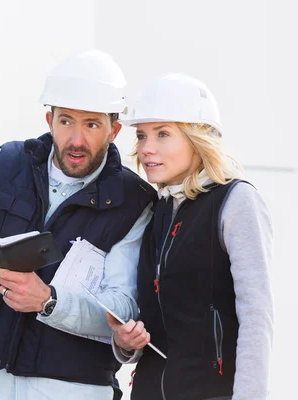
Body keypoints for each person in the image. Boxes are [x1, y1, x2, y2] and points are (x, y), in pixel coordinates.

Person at [0, 49, 156, 400]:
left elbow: (120, 308)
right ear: (50, 121)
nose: (76, 140)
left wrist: (49, 301)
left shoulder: (134, 201)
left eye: (91, 124)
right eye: (66, 122)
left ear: (114, 130)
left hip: (71, 389)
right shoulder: (14, 159)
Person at [108, 74, 274, 400]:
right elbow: (158, 319)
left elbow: (257, 318)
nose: (146, 148)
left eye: (163, 134)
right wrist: (124, 344)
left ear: (197, 139)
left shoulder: (236, 201)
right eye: (142, 135)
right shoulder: (157, 210)